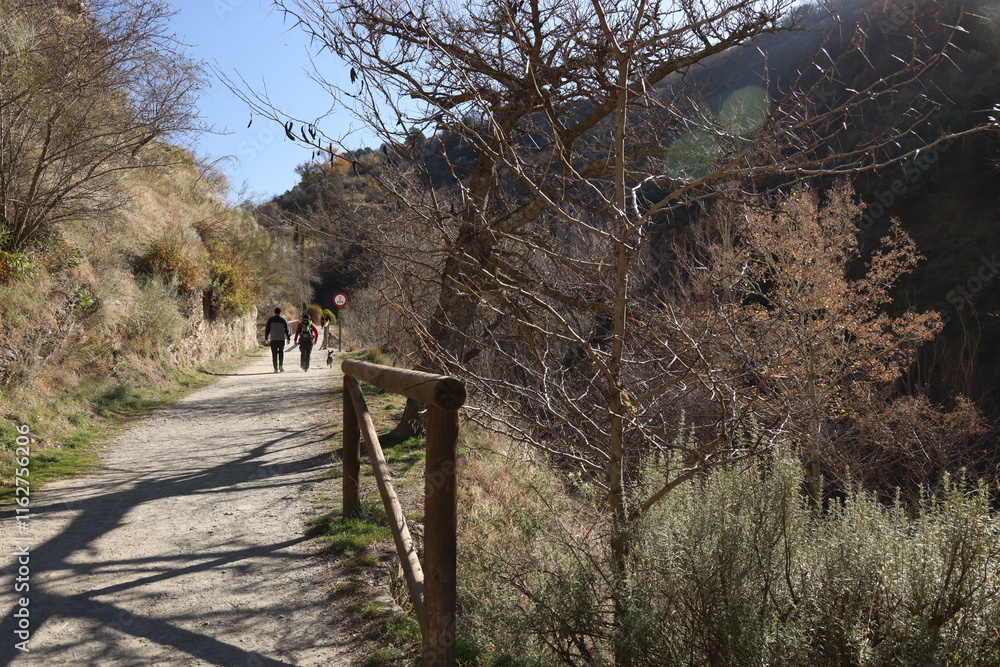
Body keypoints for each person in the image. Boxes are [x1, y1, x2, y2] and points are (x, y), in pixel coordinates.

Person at [264, 307, 290, 373]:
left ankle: (275, 368)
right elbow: (287, 330)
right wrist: (288, 338)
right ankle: (281, 366)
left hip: (273, 339)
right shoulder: (283, 320)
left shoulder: (270, 320)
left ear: (274, 312)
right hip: (281, 339)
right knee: (281, 352)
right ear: (280, 313)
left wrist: (266, 338)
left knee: (274, 354)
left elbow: (267, 329)